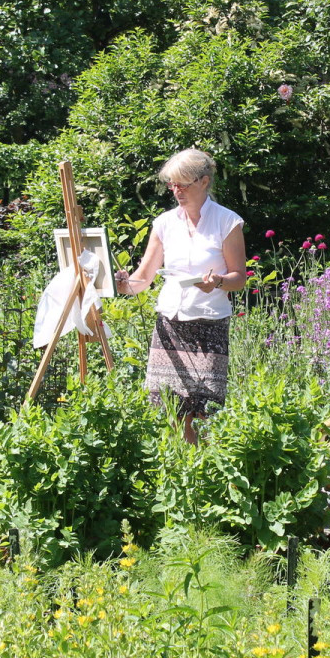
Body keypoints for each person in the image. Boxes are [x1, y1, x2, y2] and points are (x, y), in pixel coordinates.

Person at [116, 149, 247, 443]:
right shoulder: (164, 223)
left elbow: (239, 278)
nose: (176, 191)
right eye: (172, 184)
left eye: (183, 184)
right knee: (169, 407)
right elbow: (143, 279)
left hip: (208, 324)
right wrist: (122, 284)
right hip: (169, 325)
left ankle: (204, 469)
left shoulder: (228, 222)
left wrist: (218, 281)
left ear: (203, 181)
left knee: (205, 409)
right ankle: (178, 467)